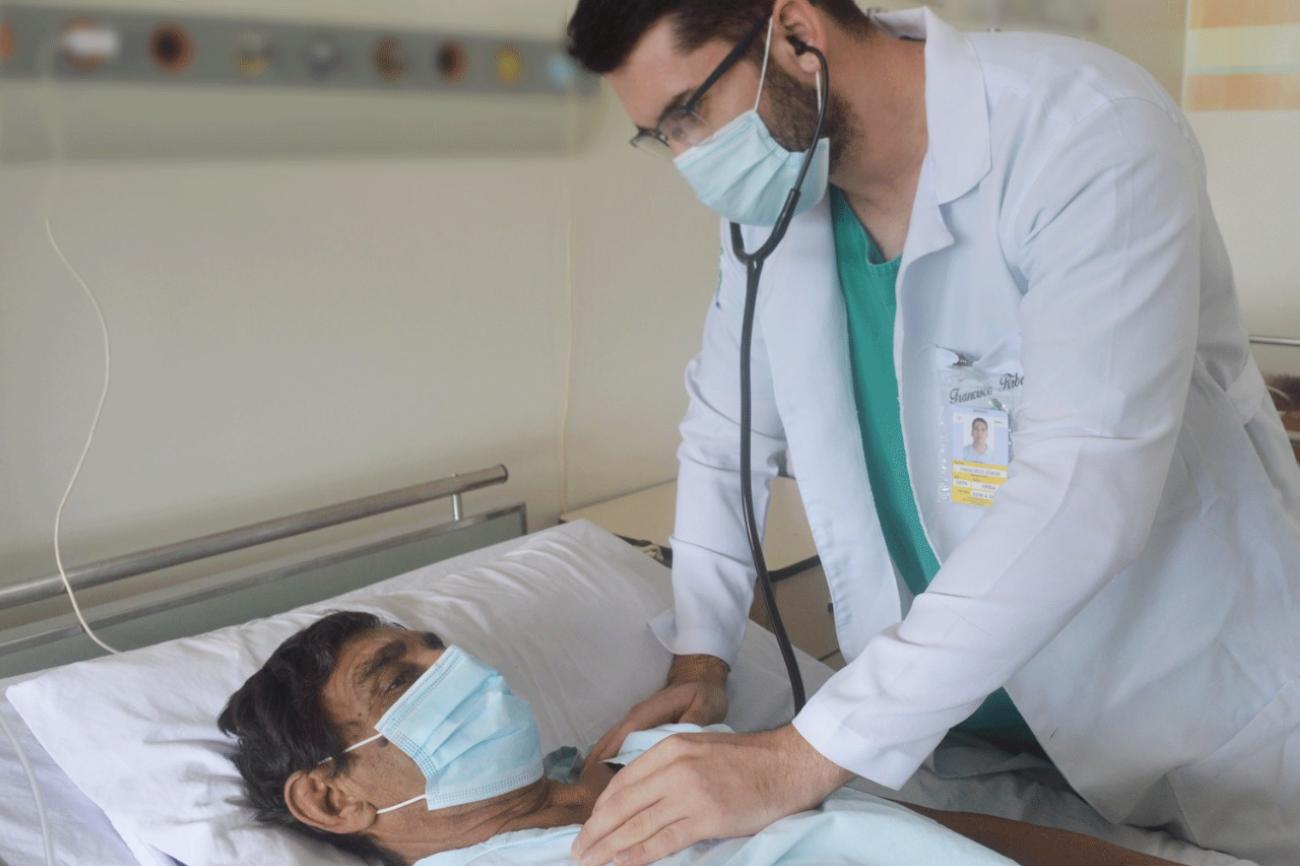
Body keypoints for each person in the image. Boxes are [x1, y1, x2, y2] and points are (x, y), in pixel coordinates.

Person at [563, 3, 1300, 866]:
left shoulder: (1083, 129)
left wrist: (800, 756)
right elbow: (726, 434)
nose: (690, 158)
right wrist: (701, 655)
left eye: (690, 114)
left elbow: (1086, 490)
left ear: (796, 33)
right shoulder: (782, 201)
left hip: (1179, 699)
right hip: (956, 731)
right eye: (662, 136)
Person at [218, 611, 1186, 866]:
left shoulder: (649, 761)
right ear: (332, 796)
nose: (457, 671)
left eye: (442, 649)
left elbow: (930, 833)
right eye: (401, 681)